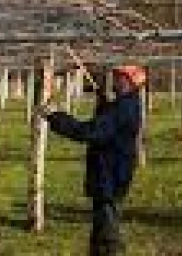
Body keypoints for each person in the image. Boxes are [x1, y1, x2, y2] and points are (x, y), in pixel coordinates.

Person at [38, 65, 146, 256]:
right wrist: (103, 104)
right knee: (102, 225)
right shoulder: (126, 104)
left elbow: (91, 132)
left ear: (130, 82)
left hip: (109, 176)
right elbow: (108, 122)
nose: (116, 80)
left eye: (120, 77)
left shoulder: (122, 108)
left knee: (107, 231)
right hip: (113, 173)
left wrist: (56, 117)